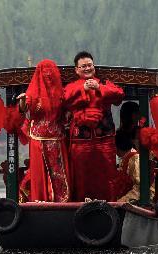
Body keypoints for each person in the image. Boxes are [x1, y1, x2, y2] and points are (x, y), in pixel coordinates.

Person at [63, 51, 124, 201]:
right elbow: (63, 100)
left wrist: (99, 88)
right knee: (81, 176)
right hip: (80, 141)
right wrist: (82, 89)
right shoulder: (72, 86)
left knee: (108, 173)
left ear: (94, 66)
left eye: (89, 65)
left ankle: (109, 203)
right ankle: (80, 205)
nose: (87, 68)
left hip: (105, 140)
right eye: (83, 66)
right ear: (76, 70)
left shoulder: (103, 83)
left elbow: (119, 95)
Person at [18, 59, 71, 202]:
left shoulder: (61, 94)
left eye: (50, 71)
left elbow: (67, 115)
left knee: (59, 172)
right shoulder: (33, 93)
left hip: (57, 139)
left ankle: (62, 201)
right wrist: (22, 100)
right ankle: (40, 200)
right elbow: (24, 109)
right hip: (38, 139)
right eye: (44, 71)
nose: (48, 74)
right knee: (40, 173)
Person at [110, 102, 152, 203]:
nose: (138, 116)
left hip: (134, 167)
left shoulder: (139, 132)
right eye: (136, 113)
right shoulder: (120, 134)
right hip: (126, 168)